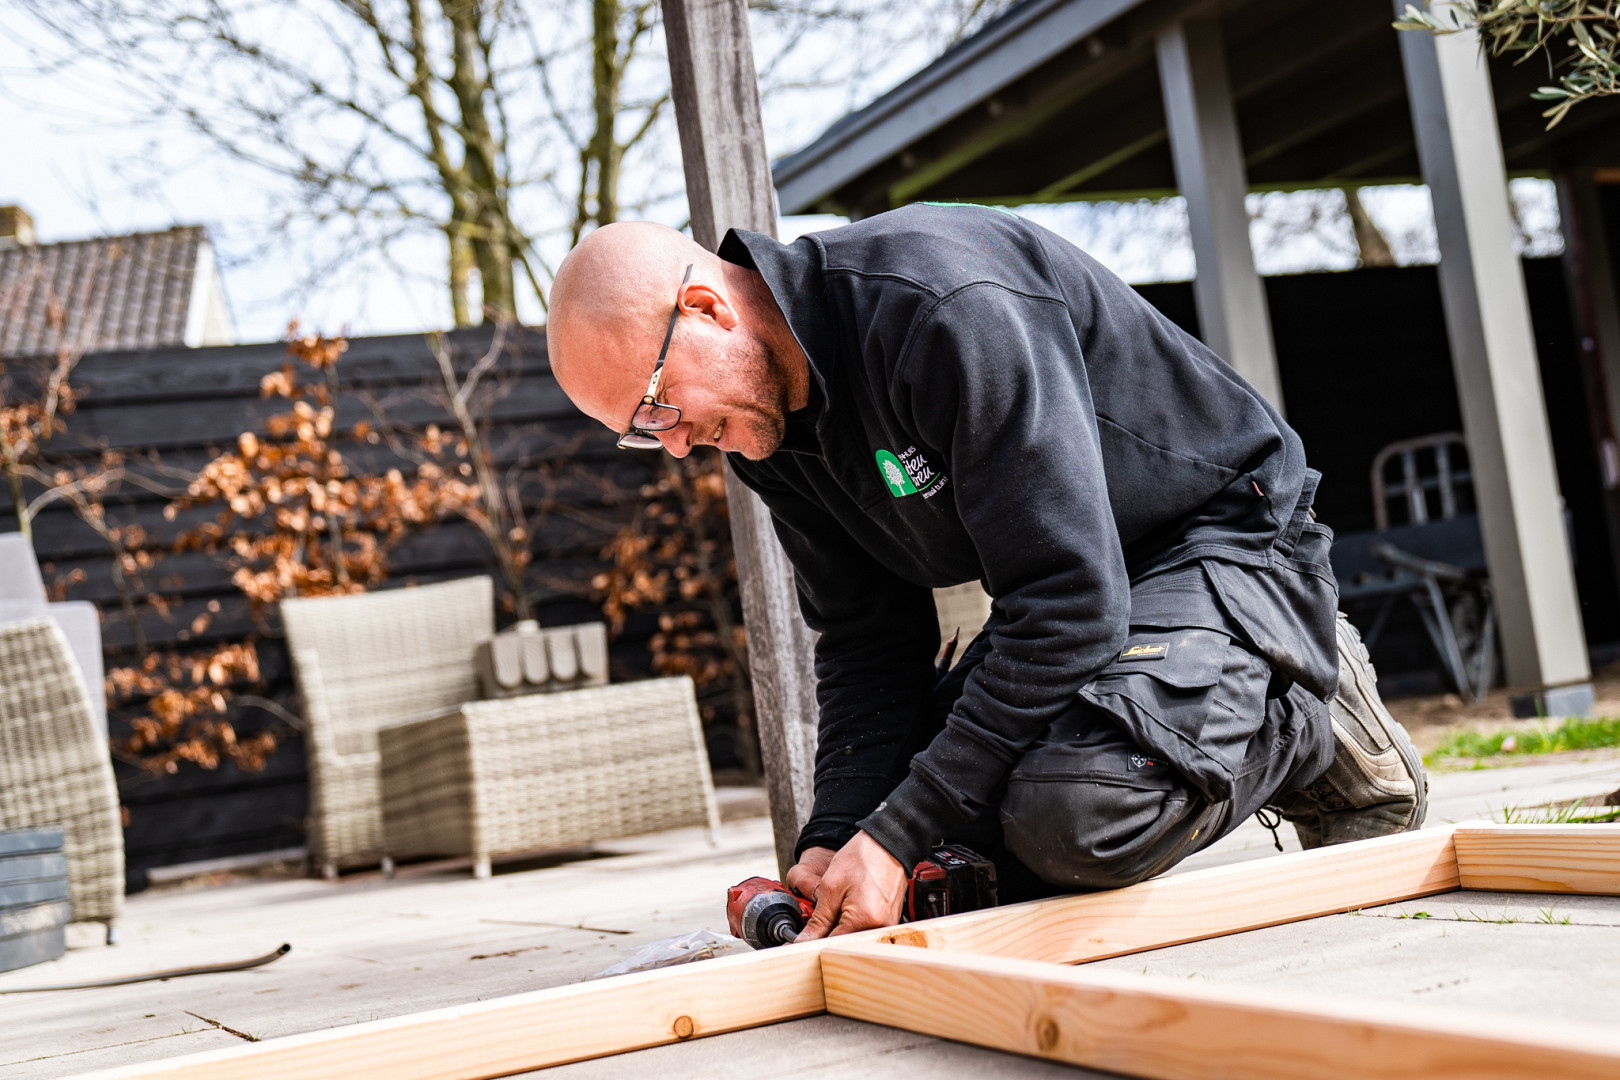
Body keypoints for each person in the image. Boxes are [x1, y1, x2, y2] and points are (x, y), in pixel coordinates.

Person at [546, 205, 1427, 941]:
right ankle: (1213, 704)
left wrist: (894, 834)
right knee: (942, 842)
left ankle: (1306, 709)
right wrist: (839, 835)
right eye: (638, 428)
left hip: (1224, 545)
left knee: (1074, 817)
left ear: (705, 306)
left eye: (658, 402)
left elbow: (1070, 605)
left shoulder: (938, 308)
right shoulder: (763, 429)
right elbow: (867, 639)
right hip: (1082, 591)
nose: (670, 441)